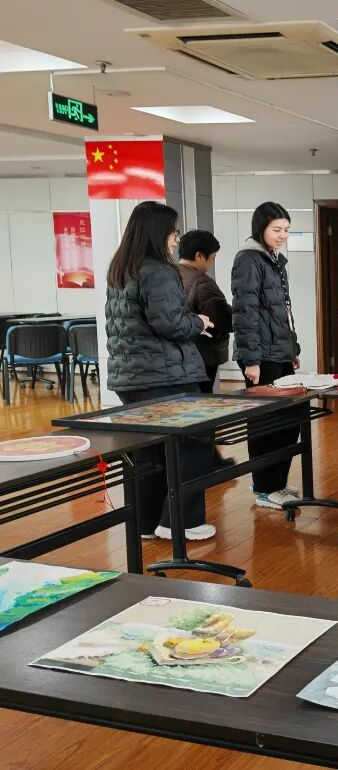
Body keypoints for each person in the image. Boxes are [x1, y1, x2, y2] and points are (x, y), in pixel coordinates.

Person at [104, 201, 215, 541]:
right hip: (165, 376)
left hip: (130, 378)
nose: (176, 239)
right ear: (157, 232)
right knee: (195, 443)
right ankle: (181, 522)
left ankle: (146, 523)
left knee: (147, 452)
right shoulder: (157, 270)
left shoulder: (121, 268)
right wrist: (199, 322)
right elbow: (170, 324)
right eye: (172, 232)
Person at [231, 202, 301, 509]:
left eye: (286, 229)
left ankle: (277, 483)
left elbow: (283, 311)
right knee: (266, 426)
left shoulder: (273, 260)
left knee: (288, 422)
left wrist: (292, 349)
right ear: (260, 228)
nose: (282, 235)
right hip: (261, 356)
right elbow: (244, 313)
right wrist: (252, 360)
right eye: (277, 229)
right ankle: (264, 488)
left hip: (278, 352)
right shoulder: (249, 260)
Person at [178, 230, 235, 469]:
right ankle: (207, 462)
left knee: (186, 410)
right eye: (212, 258)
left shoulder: (169, 275)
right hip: (203, 356)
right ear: (199, 256)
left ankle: (208, 459)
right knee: (203, 410)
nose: (211, 264)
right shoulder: (201, 282)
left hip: (178, 357)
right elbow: (221, 319)